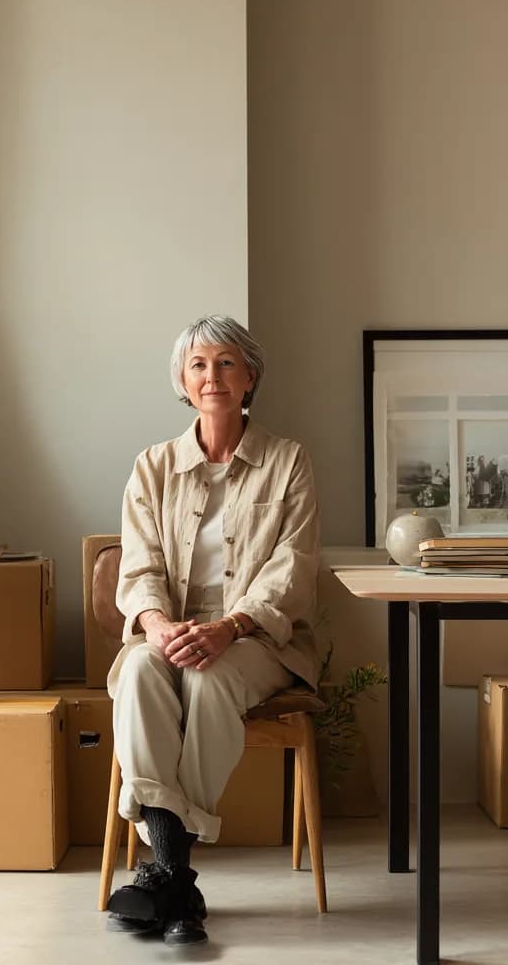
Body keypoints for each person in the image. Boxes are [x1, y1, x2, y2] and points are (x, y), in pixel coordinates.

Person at [104, 315, 320, 946]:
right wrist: (156, 624)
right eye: (199, 364)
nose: (212, 376)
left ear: (250, 376)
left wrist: (230, 626)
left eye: (227, 363)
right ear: (183, 379)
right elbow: (139, 562)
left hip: (258, 637)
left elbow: (292, 569)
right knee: (142, 669)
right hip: (168, 628)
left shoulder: (289, 462)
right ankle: (178, 881)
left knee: (211, 680)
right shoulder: (152, 466)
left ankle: (166, 872)